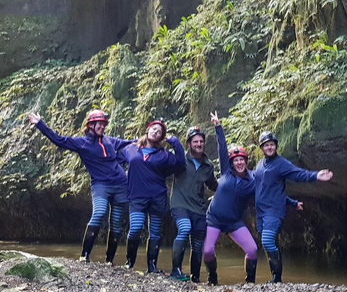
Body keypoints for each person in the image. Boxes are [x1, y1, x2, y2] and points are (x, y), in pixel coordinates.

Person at [203, 112, 298, 285]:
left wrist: (292, 203)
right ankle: (213, 278)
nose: (239, 163)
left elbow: (271, 193)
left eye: (242, 160)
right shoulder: (226, 171)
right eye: (236, 160)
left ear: (246, 161)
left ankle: (250, 283)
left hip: (233, 221)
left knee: (252, 249)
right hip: (214, 219)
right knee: (208, 251)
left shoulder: (254, 179)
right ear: (231, 163)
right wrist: (218, 126)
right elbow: (222, 148)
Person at [28, 110, 132, 264]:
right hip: (101, 185)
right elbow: (59, 140)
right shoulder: (82, 143)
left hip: (121, 186)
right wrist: (40, 124)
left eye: (104, 124)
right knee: (99, 213)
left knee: (116, 223)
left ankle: (109, 261)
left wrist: (151, 139)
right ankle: (84, 256)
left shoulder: (110, 141)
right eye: (100, 124)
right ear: (90, 125)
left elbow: (130, 144)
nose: (102, 127)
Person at [254, 131, 333, 283]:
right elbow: (271, 191)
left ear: (276, 146)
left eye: (272, 144)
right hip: (261, 213)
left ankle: (277, 278)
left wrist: (315, 175)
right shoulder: (260, 165)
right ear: (262, 147)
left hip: (274, 212)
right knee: (269, 243)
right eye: (266, 145)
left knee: (267, 241)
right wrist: (293, 203)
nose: (269, 147)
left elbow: (297, 173)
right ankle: (274, 278)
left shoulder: (281, 163)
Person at [121, 120, 186, 273]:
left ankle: (152, 266)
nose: (156, 132)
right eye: (154, 129)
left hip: (157, 196)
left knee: (155, 232)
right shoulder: (131, 149)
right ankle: (130, 262)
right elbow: (115, 158)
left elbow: (181, 164)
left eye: (160, 132)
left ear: (161, 138)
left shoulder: (164, 154)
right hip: (137, 196)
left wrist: (175, 142)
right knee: (135, 228)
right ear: (148, 129)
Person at [168, 125, 218, 282]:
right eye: (195, 141)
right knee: (184, 228)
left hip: (199, 208)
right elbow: (163, 168)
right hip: (179, 203)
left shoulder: (208, 166)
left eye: (201, 141)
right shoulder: (180, 159)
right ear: (188, 144)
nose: (199, 144)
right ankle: (175, 271)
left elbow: (213, 185)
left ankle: (195, 277)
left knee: (197, 244)